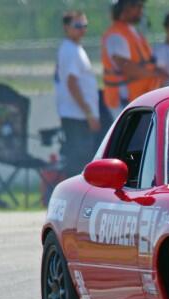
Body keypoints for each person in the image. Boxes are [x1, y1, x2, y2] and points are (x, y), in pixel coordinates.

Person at [102, 0, 168, 119]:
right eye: (136, 5)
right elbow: (126, 67)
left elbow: (146, 62)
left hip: (138, 100)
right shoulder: (116, 35)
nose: (140, 9)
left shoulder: (132, 32)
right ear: (123, 8)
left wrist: (157, 72)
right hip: (126, 104)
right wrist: (155, 73)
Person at [55, 10, 100, 177]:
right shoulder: (70, 50)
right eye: (78, 25)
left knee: (82, 160)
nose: (82, 29)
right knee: (78, 163)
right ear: (67, 27)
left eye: (84, 25)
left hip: (79, 115)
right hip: (77, 116)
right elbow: (72, 84)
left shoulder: (74, 49)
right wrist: (89, 113)